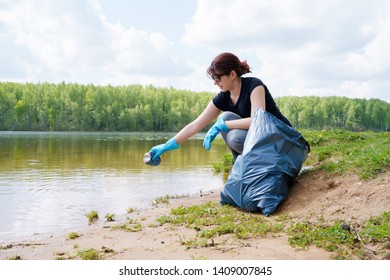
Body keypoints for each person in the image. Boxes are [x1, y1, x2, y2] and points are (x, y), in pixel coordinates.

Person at [148, 52, 292, 162]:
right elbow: (195, 125)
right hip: (262, 141)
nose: (215, 83)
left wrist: (222, 126)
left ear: (232, 74)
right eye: (213, 79)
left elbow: (258, 121)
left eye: (217, 78)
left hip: (283, 139)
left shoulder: (254, 86)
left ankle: (268, 165)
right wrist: (166, 145)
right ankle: (241, 166)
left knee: (234, 135)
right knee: (225, 117)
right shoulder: (224, 96)